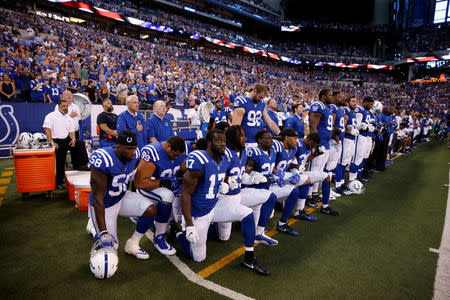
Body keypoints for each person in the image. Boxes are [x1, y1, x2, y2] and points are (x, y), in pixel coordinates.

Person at [174, 129, 270, 275]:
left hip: (216, 203)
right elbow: (185, 194)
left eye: (224, 141)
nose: (222, 144)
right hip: (199, 211)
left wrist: (226, 181)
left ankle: (249, 258)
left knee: (248, 214)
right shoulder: (200, 159)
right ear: (209, 143)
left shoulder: (225, 159)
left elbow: (217, 174)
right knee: (198, 258)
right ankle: (178, 233)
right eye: (218, 141)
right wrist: (189, 224)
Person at [87, 130, 159, 268]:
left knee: (151, 210)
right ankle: (94, 227)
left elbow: (133, 173)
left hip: (121, 196)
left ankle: (133, 243)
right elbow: (97, 198)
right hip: (104, 204)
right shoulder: (104, 159)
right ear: (118, 146)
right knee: (111, 248)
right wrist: (103, 232)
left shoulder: (136, 154)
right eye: (129, 148)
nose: (133, 152)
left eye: (134, 148)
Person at [218, 125, 278, 246]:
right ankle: (207, 226)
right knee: (224, 237)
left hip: (239, 193)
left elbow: (242, 175)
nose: (245, 138)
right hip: (225, 197)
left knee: (270, 197)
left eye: (245, 135)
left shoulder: (244, 152)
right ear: (232, 137)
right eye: (241, 136)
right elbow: (215, 175)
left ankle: (259, 233)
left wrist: (256, 178)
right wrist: (227, 180)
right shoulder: (225, 153)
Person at [128, 136, 187, 258]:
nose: (176, 158)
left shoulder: (182, 151)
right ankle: (159, 239)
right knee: (167, 196)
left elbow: (182, 169)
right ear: (168, 146)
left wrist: (181, 177)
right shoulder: (153, 152)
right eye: (174, 155)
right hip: (147, 187)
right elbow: (140, 182)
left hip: (166, 185)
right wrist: (162, 183)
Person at [246, 129, 300, 235]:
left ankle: (282, 223)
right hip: (256, 187)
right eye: (268, 139)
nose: (271, 141)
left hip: (269, 185)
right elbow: (246, 172)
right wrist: (262, 177)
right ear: (260, 140)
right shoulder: (255, 152)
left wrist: (277, 175)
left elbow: (276, 167)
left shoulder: (273, 151)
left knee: (294, 191)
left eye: (271, 138)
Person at [43, 99, 88, 189]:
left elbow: (71, 131)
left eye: (67, 106)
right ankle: (59, 182)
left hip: (66, 138)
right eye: (63, 106)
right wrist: (52, 142)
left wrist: (73, 139)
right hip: (56, 140)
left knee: (80, 144)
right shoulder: (51, 116)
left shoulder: (68, 118)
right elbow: (47, 129)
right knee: (60, 160)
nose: (66, 108)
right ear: (59, 106)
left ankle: (81, 166)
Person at [307, 89, 339, 216]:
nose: (332, 97)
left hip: (326, 143)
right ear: (324, 96)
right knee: (313, 170)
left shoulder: (327, 107)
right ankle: (308, 196)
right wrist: (316, 144)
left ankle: (314, 194)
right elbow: (313, 126)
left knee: (320, 171)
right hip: (319, 143)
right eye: (330, 95)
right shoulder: (318, 105)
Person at [335, 96, 358, 195]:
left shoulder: (353, 112)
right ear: (347, 103)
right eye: (353, 101)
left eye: (355, 101)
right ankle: (337, 186)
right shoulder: (346, 111)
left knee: (345, 163)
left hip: (351, 140)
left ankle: (342, 183)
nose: (355, 103)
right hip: (346, 140)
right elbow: (343, 128)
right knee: (341, 163)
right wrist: (350, 131)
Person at [349, 96, 374, 182]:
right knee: (357, 158)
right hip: (359, 136)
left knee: (361, 158)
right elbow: (357, 125)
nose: (371, 106)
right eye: (370, 104)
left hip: (365, 137)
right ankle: (352, 179)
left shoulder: (366, 111)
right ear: (366, 102)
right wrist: (366, 127)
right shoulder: (359, 109)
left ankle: (358, 177)